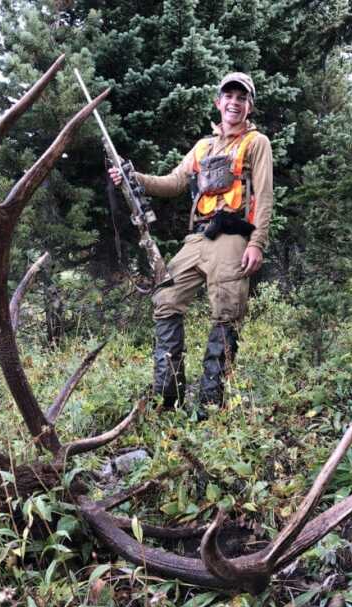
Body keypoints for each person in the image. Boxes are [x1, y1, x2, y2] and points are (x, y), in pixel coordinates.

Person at [109, 72, 273, 416]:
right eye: (228, 96)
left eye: (241, 98)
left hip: (232, 237)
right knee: (166, 298)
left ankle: (211, 407)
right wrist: (132, 177)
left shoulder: (257, 143)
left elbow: (266, 195)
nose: (234, 102)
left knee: (226, 312)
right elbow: (172, 182)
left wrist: (256, 242)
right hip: (197, 237)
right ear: (218, 102)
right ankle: (167, 399)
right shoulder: (203, 147)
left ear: (249, 106)